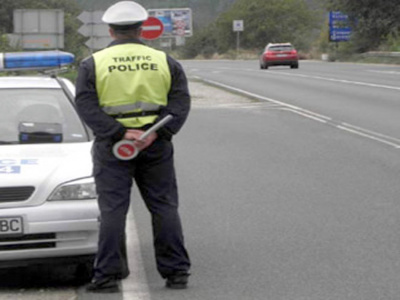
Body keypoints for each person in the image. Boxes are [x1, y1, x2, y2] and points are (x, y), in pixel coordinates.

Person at [75, 1, 191, 293]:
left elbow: (86, 105)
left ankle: (107, 277)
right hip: (154, 145)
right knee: (164, 207)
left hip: (113, 147)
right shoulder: (165, 61)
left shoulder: (94, 63)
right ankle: (176, 273)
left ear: (111, 31)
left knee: (113, 210)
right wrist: (156, 134)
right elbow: (179, 103)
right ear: (142, 30)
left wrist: (118, 133)